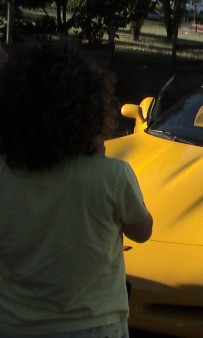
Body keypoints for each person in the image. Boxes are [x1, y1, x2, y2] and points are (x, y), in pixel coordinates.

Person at [0, 43, 153, 337]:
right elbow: (142, 231)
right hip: (94, 325)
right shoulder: (112, 176)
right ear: (91, 112)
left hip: (13, 323)